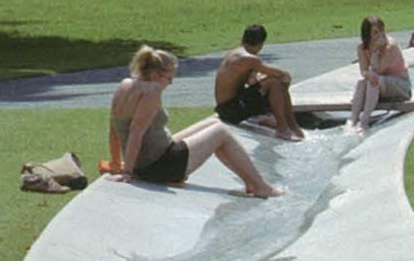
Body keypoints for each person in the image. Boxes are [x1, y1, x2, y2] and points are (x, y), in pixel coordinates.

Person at [107, 46, 282, 197]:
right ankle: (261, 187)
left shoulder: (125, 85)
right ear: (154, 74)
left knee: (214, 122)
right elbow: (136, 132)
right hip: (159, 165)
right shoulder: (152, 90)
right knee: (222, 132)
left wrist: (117, 162)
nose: (170, 83)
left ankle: (251, 182)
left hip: (150, 159)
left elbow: (114, 127)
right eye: (169, 78)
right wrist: (127, 172)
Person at [213, 23, 303, 140]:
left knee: (272, 81)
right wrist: (283, 86)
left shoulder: (235, 53)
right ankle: (285, 128)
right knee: (275, 82)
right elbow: (284, 75)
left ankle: (289, 125)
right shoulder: (248, 58)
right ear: (261, 44)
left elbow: (252, 82)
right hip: (230, 110)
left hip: (227, 107)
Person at [347, 15, 413, 132]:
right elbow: (364, 71)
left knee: (373, 80)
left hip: (400, 86)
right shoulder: (362, 47)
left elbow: (378, 69)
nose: (380, 35)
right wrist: (367, 74)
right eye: (375, 33)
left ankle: (364, 121)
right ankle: (353, 119)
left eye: (381, 31)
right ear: (367, 34)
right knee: (362, 83)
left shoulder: (390, 46)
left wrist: (376, 50)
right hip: (379, 84)